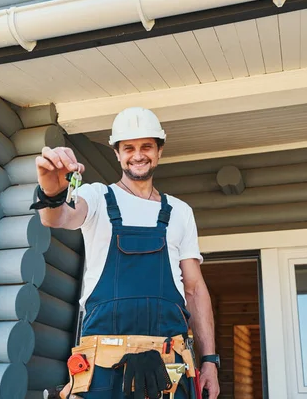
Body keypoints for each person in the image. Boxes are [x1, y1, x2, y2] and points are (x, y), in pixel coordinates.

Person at [33, 107, 220, 399]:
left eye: (146, 146)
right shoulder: (96, 197)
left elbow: (194, 289)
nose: (138, 155)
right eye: (128, 148)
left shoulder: (180, 212)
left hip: (168, 364)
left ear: (159, 151)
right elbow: (56, 218)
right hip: (104, 367)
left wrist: (209, 361)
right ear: (117, 154)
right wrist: (51, 189)